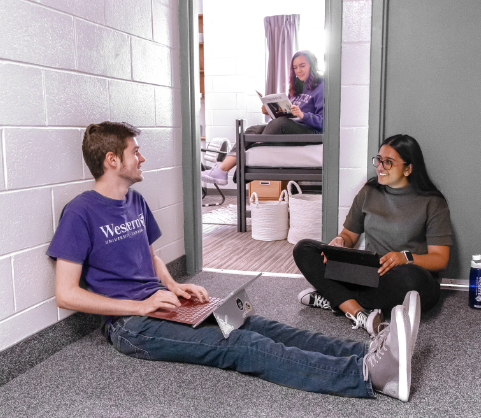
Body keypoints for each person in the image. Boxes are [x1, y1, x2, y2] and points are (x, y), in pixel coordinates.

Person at [47, 121, 422, 402]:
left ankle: (367, 351)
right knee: (238, 345)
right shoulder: (80, 213)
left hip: (165, 305)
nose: (142, 157)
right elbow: (66, 294)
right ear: (112, 160)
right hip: (131, 326)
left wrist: (174, 287)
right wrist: (141, 305)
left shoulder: (135, 201)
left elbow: (150, 256)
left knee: (256, 322)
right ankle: (368, 376)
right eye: (134, 151)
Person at [294, 134, 453, 336]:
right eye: (378, 160)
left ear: (408, 168)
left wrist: (404, 258)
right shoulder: (369, 191)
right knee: (304, 249)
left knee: (414, 281)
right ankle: (358, 313)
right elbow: (348, 236)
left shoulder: (433, 202)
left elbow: (440, 260)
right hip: (368, 273)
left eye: (388, 162)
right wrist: (339, 243)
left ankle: (335, 299)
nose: (379, 167)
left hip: (405, 277)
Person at [201, 50, 323, 186]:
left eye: (302, 66)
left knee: (279, 123)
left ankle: (240, 167)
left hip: (311, 132)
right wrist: (271, 111)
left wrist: (303, 115)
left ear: (311, 66)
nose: (298, 71)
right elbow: (288, 114)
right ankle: (221, 170)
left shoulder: (322, 87)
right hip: (292, 126)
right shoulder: (298, 87)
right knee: (253, 129)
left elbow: (324, 123)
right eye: (295, 68)